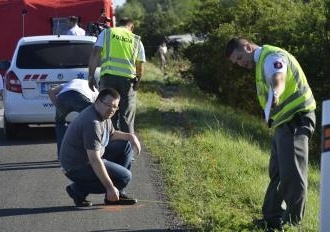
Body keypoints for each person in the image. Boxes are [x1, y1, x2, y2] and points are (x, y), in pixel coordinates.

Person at [225, 38, 316, 231]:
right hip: (284, 123)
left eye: (240, 58)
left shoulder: (271, 57)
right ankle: (271, 219)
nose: (241, 64)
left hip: (296, 119)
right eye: (236, 63)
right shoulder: (260, 63)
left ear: (248, 47)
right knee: (277, 172)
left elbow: (279, 78)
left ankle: (292, 224)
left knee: (292, 173)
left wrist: (275, 93)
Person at [60, 88, 141, 207]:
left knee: (125, 145)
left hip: (88, 158)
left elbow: (111, 134)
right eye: (108, 105)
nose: (112, 109)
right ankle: (78, 190)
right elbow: (94, 159)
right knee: (124, 177)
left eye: (115, 106)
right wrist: (110, 187)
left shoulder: (103, 115)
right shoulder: (92, 123)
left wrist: (130, 136)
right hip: (76, 166)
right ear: (98, 102)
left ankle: (118, 194)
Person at [88, 17, 146, 134]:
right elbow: (140, 67)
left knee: (107, 114)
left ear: (119, 24)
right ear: (132, 27)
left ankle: (108, 147)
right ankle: (127, 149)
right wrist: (137, 83)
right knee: (127, 117)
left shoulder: (107, 33)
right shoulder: (136, 40)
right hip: (127, 81)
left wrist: (91, 76)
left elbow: (95, 53)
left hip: (108, 79)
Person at [48, 79, 99, 159]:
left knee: (60, 124)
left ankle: (61, 155)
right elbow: (98, 108)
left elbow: (51, 91)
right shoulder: (95, 90)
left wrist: (58, 106)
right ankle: (91, 153)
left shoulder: (71, 82)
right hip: (81, 97)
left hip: (63, 97)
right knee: (91, 124)